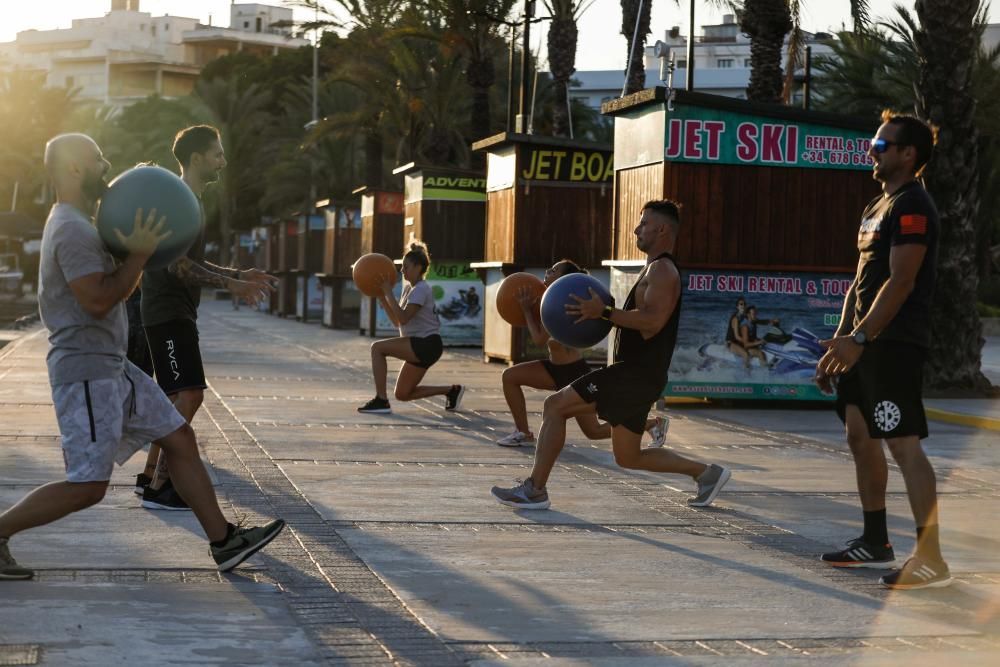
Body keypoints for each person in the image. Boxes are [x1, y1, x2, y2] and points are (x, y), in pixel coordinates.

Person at [0, 134, 284, 581]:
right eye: (96, 159)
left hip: (112, 365)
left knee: (179, 438)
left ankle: (224, 541)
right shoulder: (71, 229)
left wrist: (138, 253)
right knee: (88, 487)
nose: (106, 163)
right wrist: (139, 255)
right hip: (87, 371)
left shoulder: (82, 223)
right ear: (73, 169)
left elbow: (119, 278)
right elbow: (97, 300)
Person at [491, 200, 731, 510]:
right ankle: (707, 474)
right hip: (640, 376)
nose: (636, 229)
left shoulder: (663, 270)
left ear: (662, 229)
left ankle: (535, 489)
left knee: (555, 406)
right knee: (628, 456)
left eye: (643, 224)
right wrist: (606, 312)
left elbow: (652, 323)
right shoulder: (654, 268)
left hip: (634, 373)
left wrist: (603, 311)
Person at [815, 111, 948, 590]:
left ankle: (930, 558)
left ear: (908, 154)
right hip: (861, 342)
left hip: (892, 343)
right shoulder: (877, 205)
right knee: (859, 436)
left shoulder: (913, 205)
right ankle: (875, 541)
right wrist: (842, 338)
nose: (872, 152)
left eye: (881, 145)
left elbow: (903, 279)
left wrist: (863, 337)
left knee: (902, 444)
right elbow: (860, 279)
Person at [137, 125, 276, 511]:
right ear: (196, 158)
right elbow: (177, 268)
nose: (223, 160)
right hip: (168, 310)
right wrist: (227, 286)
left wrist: (235, 275)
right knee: (190, 394)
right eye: (217, 154)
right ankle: (163, 487)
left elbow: (192, 260)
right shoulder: (180, 203)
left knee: (172, 398)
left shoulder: (189, 200)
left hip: (171, 310)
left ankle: (149, 477)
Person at [495, 259, 667, 448]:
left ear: (563, 278)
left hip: (574, 372)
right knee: (510, 376)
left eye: (553, 270)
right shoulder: (548, 301)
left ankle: (652, 423)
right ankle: (523, 432)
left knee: (593, 431)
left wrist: (527, 310)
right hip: (554, 369)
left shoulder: (562, 303)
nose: (547, 271)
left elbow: (539, 339)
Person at [357, 243, 464, 414]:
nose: (402, 271)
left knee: (377, 348)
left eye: (405, 267)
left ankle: (381, 400)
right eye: (401, 267)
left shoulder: (421, 289)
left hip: (426, 343)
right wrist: (383, 297)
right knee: (403, 394)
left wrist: (388, 292)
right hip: (422, 345)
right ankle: (451, 390)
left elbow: (404, 317)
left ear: (418, 267)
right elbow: (399, 322)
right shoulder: (409, 289)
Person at [725, 297, 752, 368]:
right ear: (737, 307)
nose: (743, 305)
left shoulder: (744, 316)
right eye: (741, 304)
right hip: (731, 343)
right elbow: (737, 336)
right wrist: (747, 342)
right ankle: (746, 375)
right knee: (746, 354)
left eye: (744, 304)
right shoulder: (735, 319)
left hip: (738, 342)